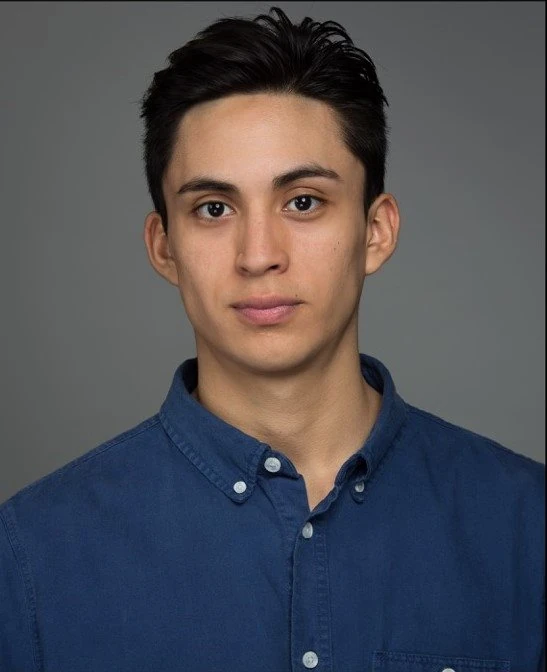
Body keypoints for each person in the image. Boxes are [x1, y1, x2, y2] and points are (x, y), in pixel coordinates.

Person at [0, 5, 543, 671]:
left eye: (303, 202)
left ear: (375, 231)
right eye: (214, 209)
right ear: (164, 246)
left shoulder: (528, 525)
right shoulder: (29, 554)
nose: (258, 255)